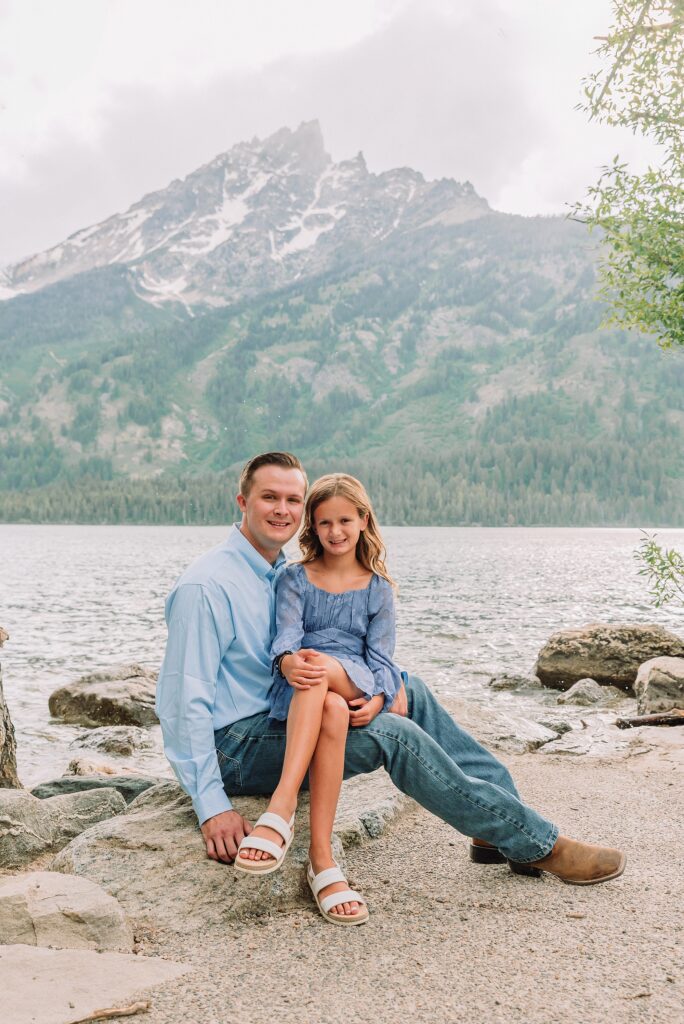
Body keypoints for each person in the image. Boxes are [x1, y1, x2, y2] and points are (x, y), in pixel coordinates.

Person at [156, 451, 625, 921]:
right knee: (393, 736)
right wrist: (211, 805)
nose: (282, 509)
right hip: (236, 747)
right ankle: (538, 844)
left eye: (292, 499)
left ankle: (497, 827)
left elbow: (337, 643)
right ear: (243, 501)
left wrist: (384, 686)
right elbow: (180, 704)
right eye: (269, 498)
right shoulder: (208, 586)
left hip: (287, 712)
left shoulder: (278, 569)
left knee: (408, 688)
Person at [234, 474, 403, 924]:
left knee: (322, 671)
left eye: (345, 520)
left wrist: (381, 697)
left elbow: (382, 657)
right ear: (313, 526)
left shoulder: (378, 588)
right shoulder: (295, 578)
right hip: (305, 682)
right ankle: (322, 860)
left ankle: (282, 804)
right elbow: (287, 636)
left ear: (364, 521)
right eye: (324, 522)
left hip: (352, 676)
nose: (335, 531)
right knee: (322, 694)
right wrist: (287, 660)